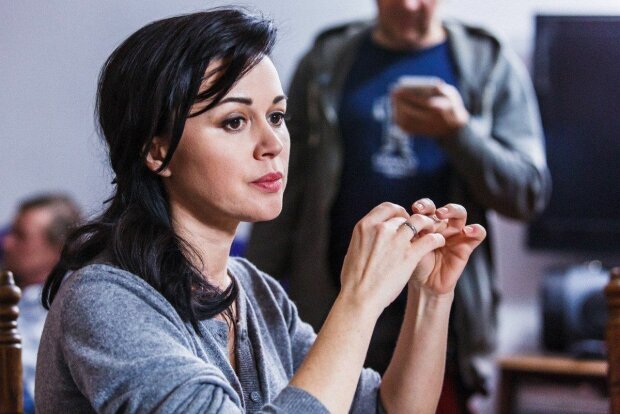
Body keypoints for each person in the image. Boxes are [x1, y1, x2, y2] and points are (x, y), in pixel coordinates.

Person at [34, 8, 487, 414]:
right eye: (235, 121)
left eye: (276, 117)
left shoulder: (257, 292)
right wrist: (360, 298)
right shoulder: (105, 299)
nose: (272, 144)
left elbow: (385, 409)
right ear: (157, 151)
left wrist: (430, 295)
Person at [246, 0, 552, 411]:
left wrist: (459, 132)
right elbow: (284, 183)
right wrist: (251, 296)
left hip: (445, 316)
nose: (410, 5)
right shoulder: (327, 58)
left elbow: (528, 193)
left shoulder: (488, 60)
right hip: (328, 306)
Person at [1, 193, 81, 412]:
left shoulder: (68, 307)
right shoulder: (12, 287)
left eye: (20, 236)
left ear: (58, 248)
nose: (6, 243)